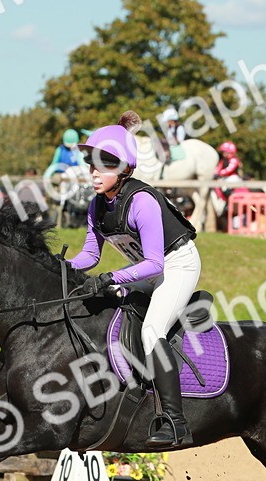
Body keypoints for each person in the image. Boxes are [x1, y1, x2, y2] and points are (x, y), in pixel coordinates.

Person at [70, 111, 201, 448]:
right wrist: (60, 266)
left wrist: (112, 277)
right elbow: (90, 255)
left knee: (151, 330)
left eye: (104, 165)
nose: (94, 172)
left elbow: (155, 263)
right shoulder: (97, 206)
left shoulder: (141, 201)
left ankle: (175, 422)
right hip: (147, 270)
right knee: (106, 302)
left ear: (124, 169)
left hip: (177, 266)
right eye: (91, 164)